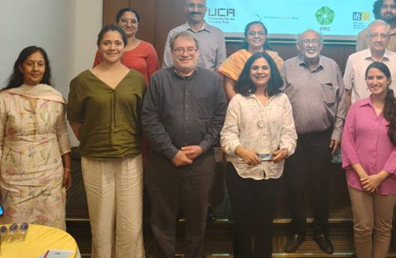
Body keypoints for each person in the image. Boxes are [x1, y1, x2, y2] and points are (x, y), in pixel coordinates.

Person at [142, 31, 227, 258]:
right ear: (171, 53)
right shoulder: (159, 80)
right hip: (164, 162)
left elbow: (219, 118)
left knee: (197, 221)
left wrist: (203, 147)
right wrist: (171, 152)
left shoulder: (212, 80)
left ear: (198, 52)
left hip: (201, 163)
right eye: (179, 49)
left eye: (190, 49)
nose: (185, 53)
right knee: (162, 219)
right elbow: (149, 119)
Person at [67, 25, 146, 258]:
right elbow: (75, 119)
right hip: (95, 159)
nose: (112, 47)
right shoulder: (82, 81)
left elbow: (143, 117)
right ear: (99, 46)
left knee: (131, 221)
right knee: (100, 221)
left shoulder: (136, 80)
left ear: (124, 47)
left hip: (129, 157)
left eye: (117, 43)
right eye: (107, 43)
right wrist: (93, 139)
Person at [221, 52, 297, 258]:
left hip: (271, 172)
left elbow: (290, 134)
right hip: (241, 172)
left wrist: (285, 149)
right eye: (255, 68)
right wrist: (241, 150)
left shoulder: (282, 100)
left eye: (264, 67)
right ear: (248, 72)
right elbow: (227, 136)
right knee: (242, 224)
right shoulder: (238, 100)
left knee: (265, 223)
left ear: (271, 72)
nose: (260, 71)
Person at [281, 29, 346, 254]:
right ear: (298, 46)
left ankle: (321, 231)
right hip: (294, 139)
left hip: (323, 138)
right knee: (295, 187)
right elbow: (278, 101)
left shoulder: (332, 66)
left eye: (314, 41)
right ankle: (297, 231)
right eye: (306, 42)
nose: (310, 45)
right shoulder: (287, 67)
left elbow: (341, 102)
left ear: (321, 44)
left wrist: (337, 133)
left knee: (321, 187)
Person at [341, 62, 396, 258]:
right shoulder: (356, 108)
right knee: (363, 228)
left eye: (379, 77)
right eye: (370, 78)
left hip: (388, 180)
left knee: (383, 228)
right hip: (359, 179)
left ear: (388, 80)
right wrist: (364, 176)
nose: (375, 81)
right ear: (365, 81)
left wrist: (379, 177)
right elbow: (347, 142)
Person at [0, 46, 72, 229]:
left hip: (50, 176)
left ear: (45, 68)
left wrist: (68, 168)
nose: (35, 68)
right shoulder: (5, 99)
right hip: (14, 179)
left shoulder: (55, 98)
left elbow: (62, 134)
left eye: (40, 64)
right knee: (15, 231)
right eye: (30, 64)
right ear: (20, 67)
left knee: (51, 228)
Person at [344, 20, 396, 112]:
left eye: (383, 35)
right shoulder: (354, 60)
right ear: (367, 37)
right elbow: (347, 93)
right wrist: (350, 117)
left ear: (389, 38)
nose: (379, 40)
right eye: (374, 35)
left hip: (392, 116)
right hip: (361, 115)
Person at [218, 21, 284, 101]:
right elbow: (229, 86)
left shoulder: (275, 58)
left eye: (260, 33)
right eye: (252, 34)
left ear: (265, 36)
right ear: (246, 37)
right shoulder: (237, 58)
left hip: (271, 104)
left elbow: (281, 84)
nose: (256, 36)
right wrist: (239, 104)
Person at [163, 0, 227, 71]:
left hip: (209, 79)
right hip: (179, 78)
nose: (195, 10)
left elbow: (221, 67)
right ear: (185, 8)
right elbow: (168, 66)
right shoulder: (174, 33)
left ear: (205, 9)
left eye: (200, 6)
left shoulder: (217, 34)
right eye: (191, 5)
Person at [94, 7, 160, 83]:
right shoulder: (106, 49)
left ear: (137, 25)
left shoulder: (148, 48)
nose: (128, 25)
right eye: (124, 21)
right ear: (117, 23)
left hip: (141, 90)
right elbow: (96, 74)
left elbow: (155, 79)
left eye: (133, 21)